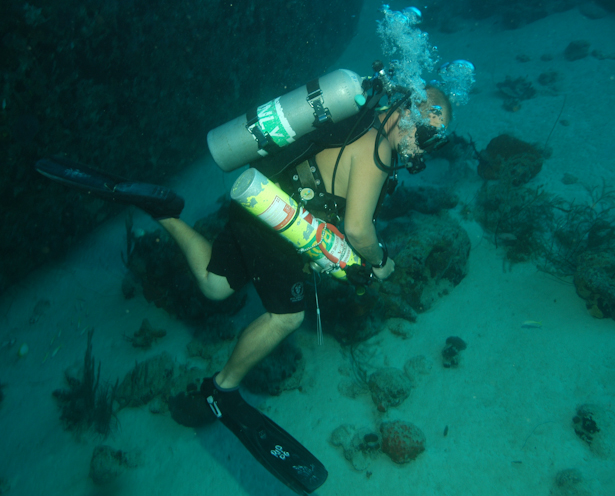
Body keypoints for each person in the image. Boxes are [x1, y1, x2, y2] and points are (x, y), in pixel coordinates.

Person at [35, 83, 452, 493]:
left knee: (215, 285)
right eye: (427, 136)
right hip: (277, 219)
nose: (423, 150)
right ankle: (222, 390)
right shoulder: (378, 152)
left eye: (434, 142)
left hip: (259, 195)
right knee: (287, 317)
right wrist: (380, 262)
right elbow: (359, 229)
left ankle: (162, 211)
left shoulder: (358, 115)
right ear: (408, 114)